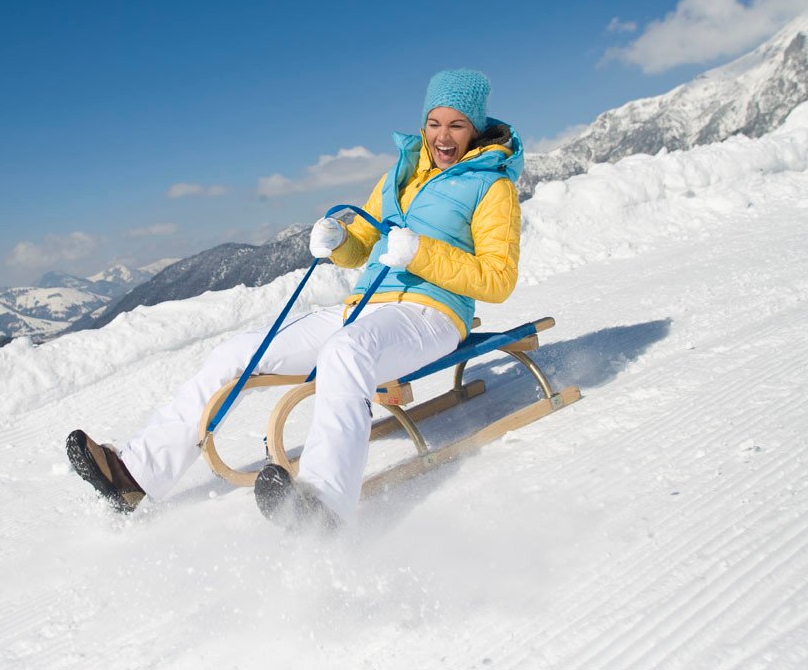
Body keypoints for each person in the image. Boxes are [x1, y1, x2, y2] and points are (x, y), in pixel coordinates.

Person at [68, 69, 523, 530]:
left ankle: (325, 502)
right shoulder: (401, 175)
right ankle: (135, 474)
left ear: (476, 128)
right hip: (365, 307)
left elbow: (497, 279)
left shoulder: (493, 185)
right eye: (434, 123)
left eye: (456, 125)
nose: (443, 137)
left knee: (345, 353)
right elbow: (363, 243)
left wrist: (420, 254)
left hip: (433, 315)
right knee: (239, 353)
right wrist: (339, 240)